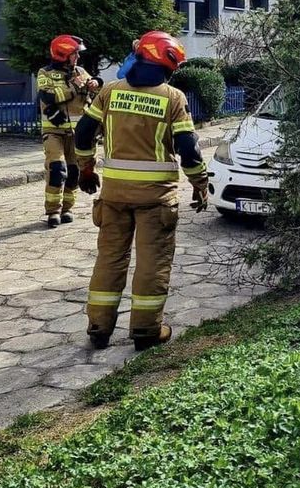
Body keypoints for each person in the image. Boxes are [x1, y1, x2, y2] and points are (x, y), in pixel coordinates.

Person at [74, 31, 208, 350]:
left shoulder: (110, 91)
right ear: (168, 65)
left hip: (114, 196)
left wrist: (86, 168)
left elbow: (82, 132)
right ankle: (147, 330)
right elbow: (188, 149)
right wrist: (200, 185)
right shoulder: (173, 97)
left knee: (109, 258)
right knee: (152, 262)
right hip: (155, 200)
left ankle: (99, 326)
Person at [37, 35, 99, 228]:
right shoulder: (45, 73)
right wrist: (73, 88)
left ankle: (67, 209)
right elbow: (48, 96)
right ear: (63, 54)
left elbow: (93, 89)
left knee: (73, 172)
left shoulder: (80, 71)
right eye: (75, 54)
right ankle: (53, 210)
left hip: (77, 132)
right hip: (54, 131)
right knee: (57, 169)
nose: (78, 58)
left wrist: (95, 83)